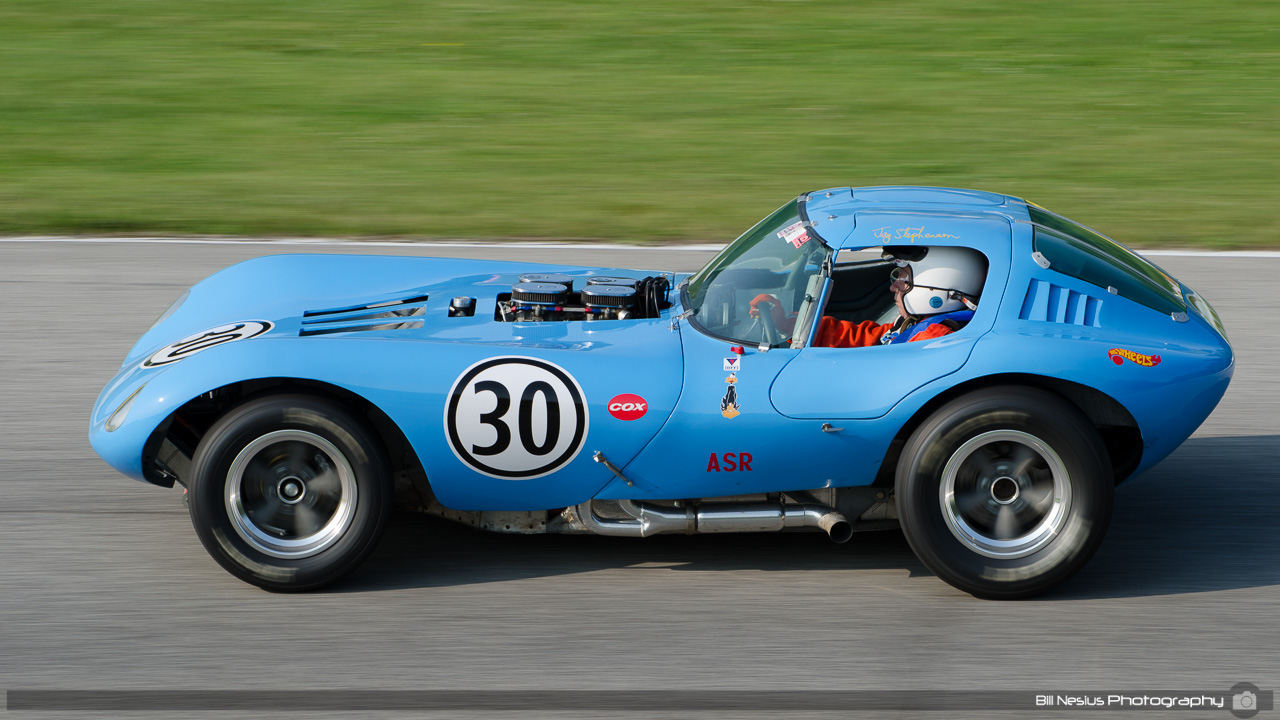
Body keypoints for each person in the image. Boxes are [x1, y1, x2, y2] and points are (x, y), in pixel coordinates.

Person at [748, 246, 985, 348]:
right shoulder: (917, 327)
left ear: (937, 286)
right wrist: (789, 324)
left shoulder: (935, 339)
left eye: (902, 278)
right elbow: (861, 339)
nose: (894, 287)